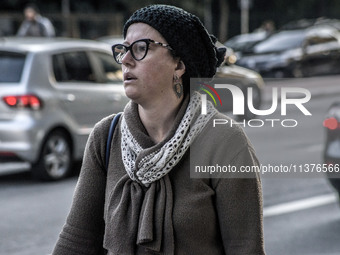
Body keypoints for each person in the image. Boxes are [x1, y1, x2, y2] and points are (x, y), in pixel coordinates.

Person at [52, 4, 265, 255]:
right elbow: (77, 240)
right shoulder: (106, 136)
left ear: (178, 65)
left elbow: (245, 248)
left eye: (141, 48)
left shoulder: (224, 142)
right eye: (123, 50)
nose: (126, 60)